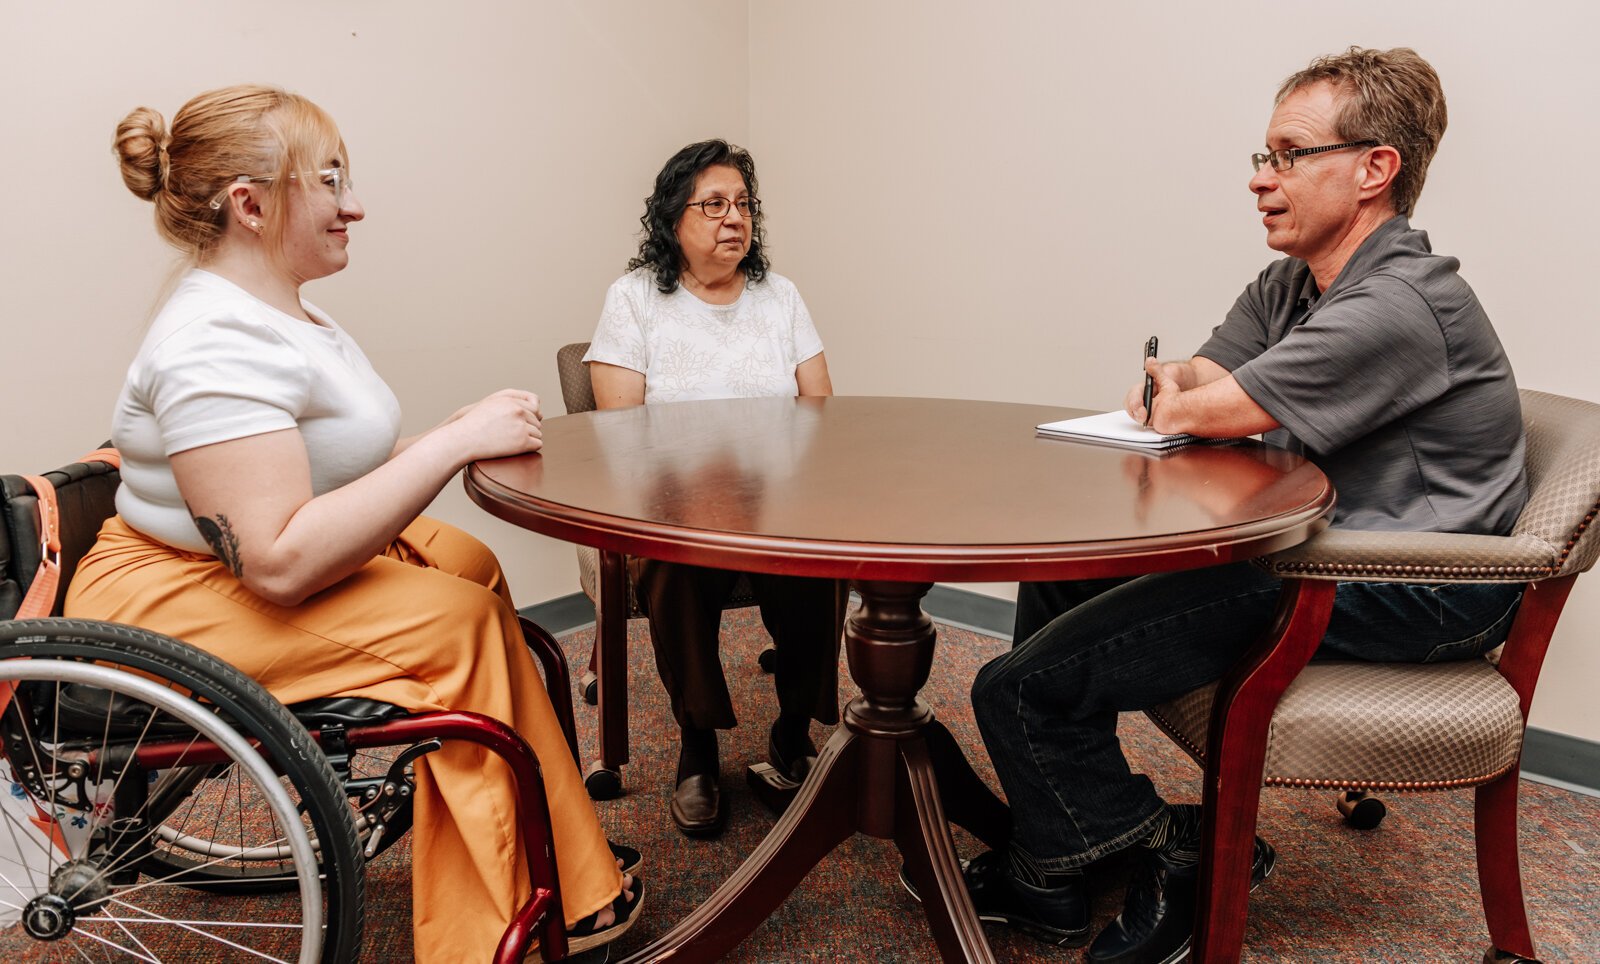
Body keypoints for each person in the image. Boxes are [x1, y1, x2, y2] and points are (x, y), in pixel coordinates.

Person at [963, 48, 1528, 964]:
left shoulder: (1404, 301)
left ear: (1374, 169)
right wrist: (1193, 395)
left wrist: (1192, 397)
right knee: (1059, 579)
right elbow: (1196, 379)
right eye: (1261, 157)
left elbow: (1200, 404)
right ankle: (1057, 861)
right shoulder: (1294, 283)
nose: (1262, 180)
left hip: (1413, 583)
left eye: (1290, 155)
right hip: (1316, 551)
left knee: (1015, 687)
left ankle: (1170, 852)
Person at [65, 84, 641, 962]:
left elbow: (317, 460)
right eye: (329, 180)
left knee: (472, 562)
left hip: (227, 558)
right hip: (177, 594)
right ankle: (491, 933)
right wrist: (451, 448)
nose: (354, 204)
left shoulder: (282, 308)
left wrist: (452, 433)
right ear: (251, 205)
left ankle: (551, 848)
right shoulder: (212, 345)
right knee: (465, 627)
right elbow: (281, 563)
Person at [584, 139, 846, 838]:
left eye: (744, 204)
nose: (734, 218)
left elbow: (818, 408)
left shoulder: (779, 295)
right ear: (674, 219)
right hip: (676, 502)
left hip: (776, 502)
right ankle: (697, 745)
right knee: (671, 570)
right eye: (714, 204)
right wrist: (700, 485)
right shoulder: (634, 298)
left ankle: (792, 732)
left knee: (823, 563)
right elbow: (621, 429)